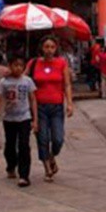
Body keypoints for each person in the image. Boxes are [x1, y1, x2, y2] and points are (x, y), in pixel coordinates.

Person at [27, 35, 74, 183]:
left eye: (52, 47)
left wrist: (70, 103)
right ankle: (47, 167)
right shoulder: (33, 63)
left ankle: (52, 156)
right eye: (46, 47)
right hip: (38, 107)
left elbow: (66, 84)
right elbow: (23, 78)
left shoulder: (61, 63)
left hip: (56, 107)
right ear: (42, 48)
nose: (49, 50)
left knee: (58, 139)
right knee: (43, 138)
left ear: (56, 48)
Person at [0, 55, 38, 188]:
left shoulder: (27, 81)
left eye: (20, 65)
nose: (18, 68)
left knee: (24, 145)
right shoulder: (4, 82)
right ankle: (11, 165)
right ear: (9, 66)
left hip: (24, 117)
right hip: (9, 118)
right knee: (10, 146)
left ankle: (24, 175)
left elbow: (33, 99)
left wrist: (35, 120)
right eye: (15, 65)